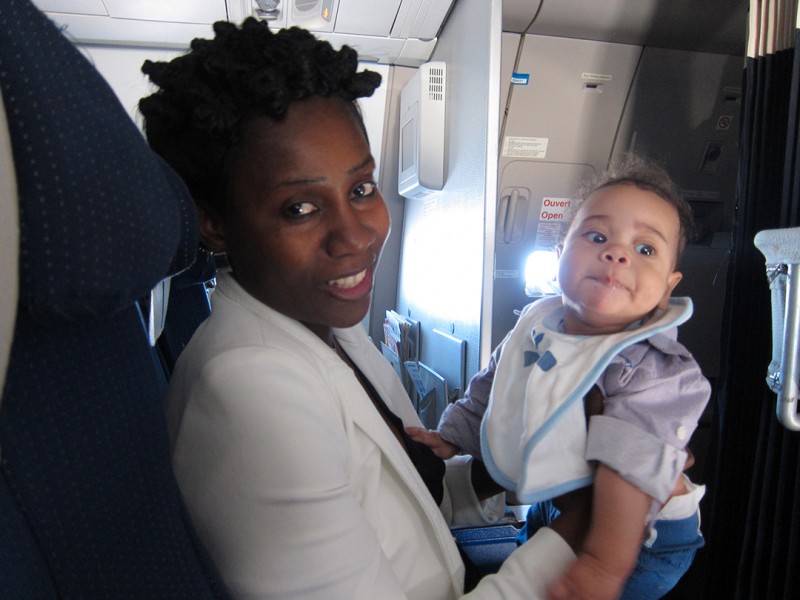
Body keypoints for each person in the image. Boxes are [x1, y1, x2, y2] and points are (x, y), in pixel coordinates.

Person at [139, 18, 585, 599]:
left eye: (361, 189)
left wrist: (509, 467)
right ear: (214, 223)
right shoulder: (248, 391)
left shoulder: (331, 328)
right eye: (299, 208)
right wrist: (581, 536)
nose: (355, 236)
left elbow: (405, 497)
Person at [407, 157, 711, 600]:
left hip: (640, 532)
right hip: (556, 498)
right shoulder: (539, 320)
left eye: (645, 249)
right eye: (596, 236)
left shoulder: (653, 367)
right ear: (559, 253)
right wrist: (452, 436)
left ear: (668, 287)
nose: (617, 252)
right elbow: (497, 389)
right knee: (532, 559)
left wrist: (602, 565)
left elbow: (630, 472)